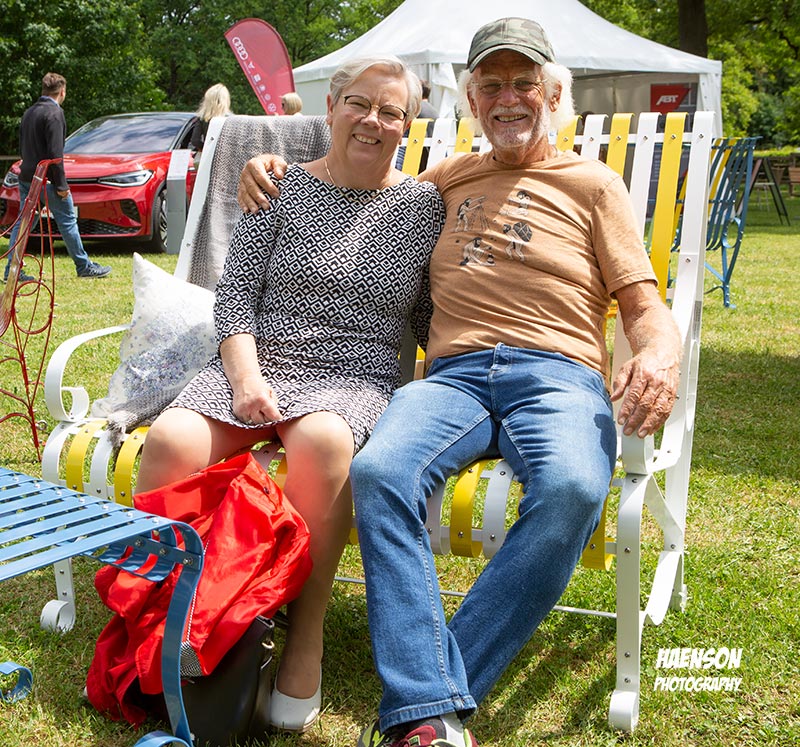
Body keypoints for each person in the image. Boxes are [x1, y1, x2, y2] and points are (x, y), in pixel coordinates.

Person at [237, 16, 683, 747]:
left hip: (559, 374)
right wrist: (271, 168)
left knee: (573, 487)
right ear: (472, 101)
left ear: (554, 95)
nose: (508, 99)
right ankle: (431, 707)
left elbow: (642, 302)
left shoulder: (594, 184)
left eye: (524, 83)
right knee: (380, 471)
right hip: (452, 377)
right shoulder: (444, 180)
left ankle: (424, 703)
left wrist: (658, 354)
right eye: (491, 86)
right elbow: (353, 174)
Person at [136, 55, 445, 735]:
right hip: (257, 361)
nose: (372, 120)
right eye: (358, 103)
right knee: (171, 439)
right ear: (330, 108)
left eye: (391, 111)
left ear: (408, 125)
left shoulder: (425, 207)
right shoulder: (278, 185)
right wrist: (247, 380)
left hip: (352, 372)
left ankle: (305, 634)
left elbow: (431, 316)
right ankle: (158, 625)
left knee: (326, 442)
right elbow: (237, 297)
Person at [3, 72, 111, 282]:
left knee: (23, 224)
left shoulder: (29, 112)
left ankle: (11, 271)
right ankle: (84, 266)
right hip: (47, 179)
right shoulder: (54, 113)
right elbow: (55, 154)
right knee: (68, 221)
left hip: (27, 177)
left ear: (44, 90)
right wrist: (61, 185)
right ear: (62, 91)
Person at [190, 83, 232, 163]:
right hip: (225, 160)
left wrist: (206, 149)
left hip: (207, 160)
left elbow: (195, 140)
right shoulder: (231, 119)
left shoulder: (202, 118)